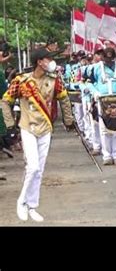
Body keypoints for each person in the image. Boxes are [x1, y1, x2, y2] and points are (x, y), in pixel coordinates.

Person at [1, 47, 75, 222]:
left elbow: (64, 98)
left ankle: (32, 205)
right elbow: (5, 101)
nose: (50, 62)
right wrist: (10, 124)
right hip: (27, 127)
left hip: (45, 128)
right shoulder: (21, 81)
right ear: (39, 62)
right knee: (33, 167)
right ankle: (21, 201)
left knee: (39, 170)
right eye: (47, 59)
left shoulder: (54, 80)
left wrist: (68, 119)